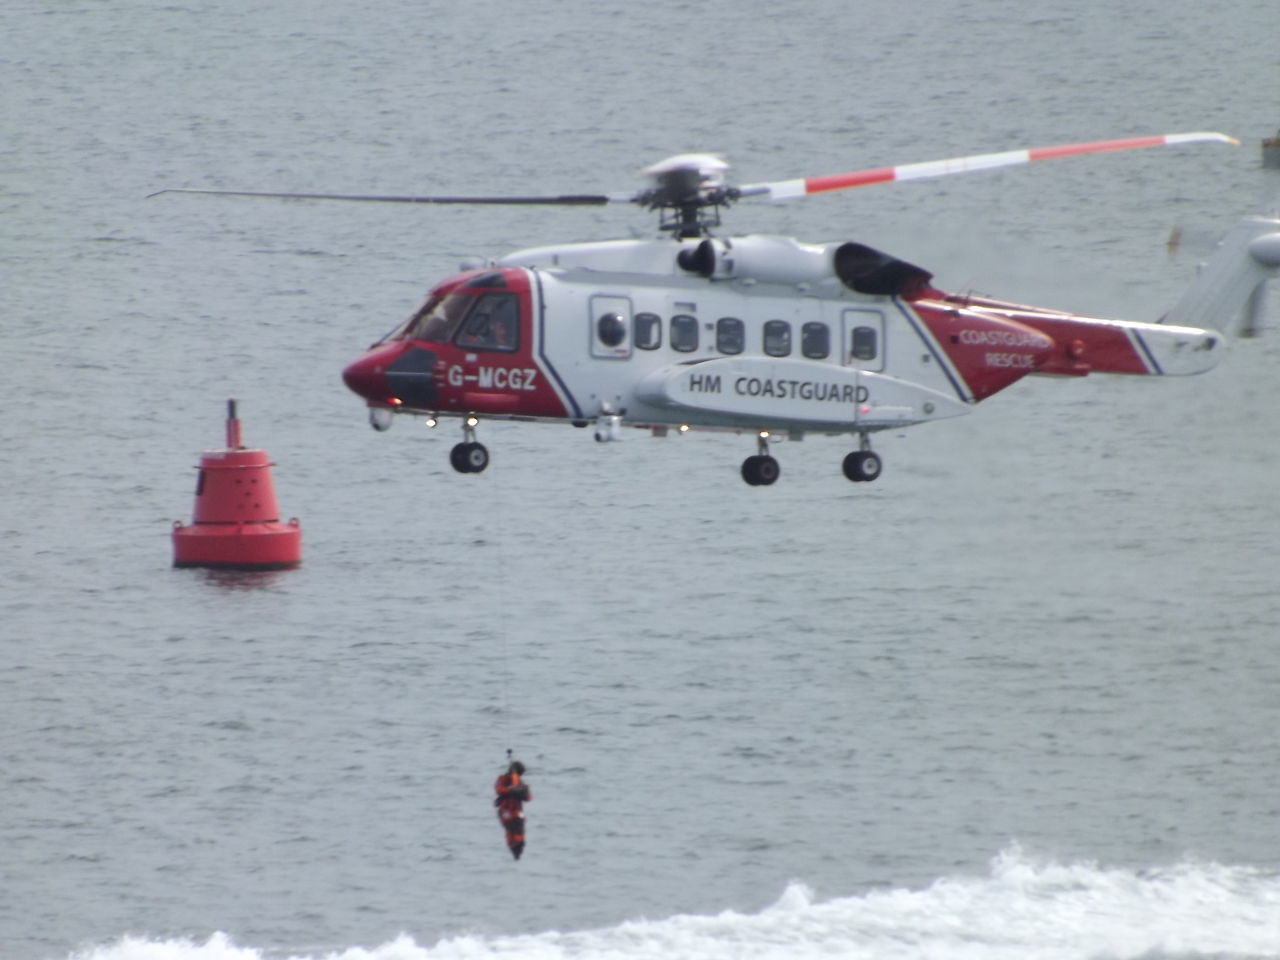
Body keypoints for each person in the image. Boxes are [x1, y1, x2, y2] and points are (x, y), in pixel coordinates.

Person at [494, 759, 531, 860]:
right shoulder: (502, 779)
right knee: (511, 826)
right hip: (506, 810)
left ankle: (518, 848)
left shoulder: (521, 783)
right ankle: (514, 847)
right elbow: (499, 790)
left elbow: (528, 797)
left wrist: (523, 792)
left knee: (519, 827)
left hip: (517, 810)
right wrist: (510, 790)